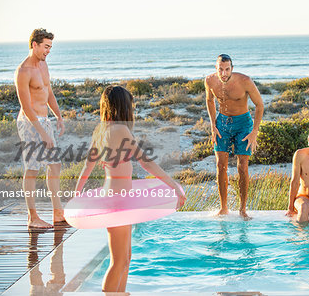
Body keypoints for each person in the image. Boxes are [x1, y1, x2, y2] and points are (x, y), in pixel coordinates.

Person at [75, 85, 186, 292]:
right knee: (118, 261)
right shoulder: (120, 129)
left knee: (125, 259)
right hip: (117, 203)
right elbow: (146, 163)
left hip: (116, 199)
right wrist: (174, 187)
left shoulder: (101, 129)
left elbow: (87, 167)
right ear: (123, 107)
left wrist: (76, 195)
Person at [15, 28, 66, 228]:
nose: (48, 51)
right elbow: (26, 107)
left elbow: (49, 93)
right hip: (29, 123)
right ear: (34, 44)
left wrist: (58, 117)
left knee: (55, 165)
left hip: (45, 121)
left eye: (50, 47)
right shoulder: (23, 71)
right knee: (33, 169)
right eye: (46, 47)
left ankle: (57, 212)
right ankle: (32, 217)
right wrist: (43, 133)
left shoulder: (44, 66)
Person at [205, 54, 264, 220]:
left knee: (242, 166)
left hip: (243, 124)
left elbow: (259, 105)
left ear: (232, 68)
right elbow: (209, 100)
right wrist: (213, 124)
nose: (223, 73)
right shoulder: (209, 81)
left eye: (227, 69)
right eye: (220, 69)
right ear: (215, 68)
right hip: (222, 123)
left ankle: (242, 209)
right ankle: (224, 208)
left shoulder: (245, 81)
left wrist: (254, 132)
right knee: (220, 165)